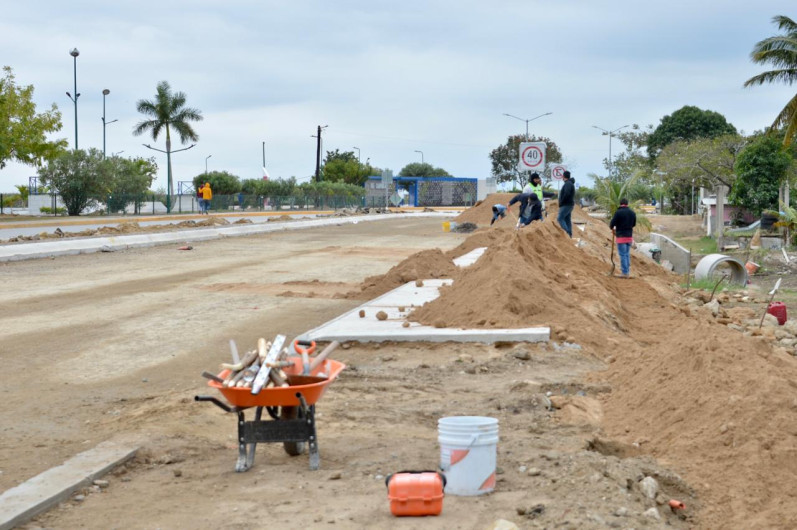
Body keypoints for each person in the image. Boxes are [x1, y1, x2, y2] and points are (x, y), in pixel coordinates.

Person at [609, 197, 637, 278]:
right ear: (627, 204)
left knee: (622, 255)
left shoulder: (618, 212)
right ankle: (627, 271)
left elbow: (612, 224)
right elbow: (634, 224)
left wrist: (614, 228)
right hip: (629, 237)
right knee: (627, 254)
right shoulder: (632, 213)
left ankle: (625, 273)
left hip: (621, 237)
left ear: (620, 204)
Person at [557, 170, 575, 237]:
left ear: (563, 176)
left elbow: (566, 194)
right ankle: (569, 235)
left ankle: (567, 233)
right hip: (569, 204)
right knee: (567, 219)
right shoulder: (570, 183)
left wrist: (561, 202)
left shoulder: (567, 184)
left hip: (566, 204)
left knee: (560, 218)